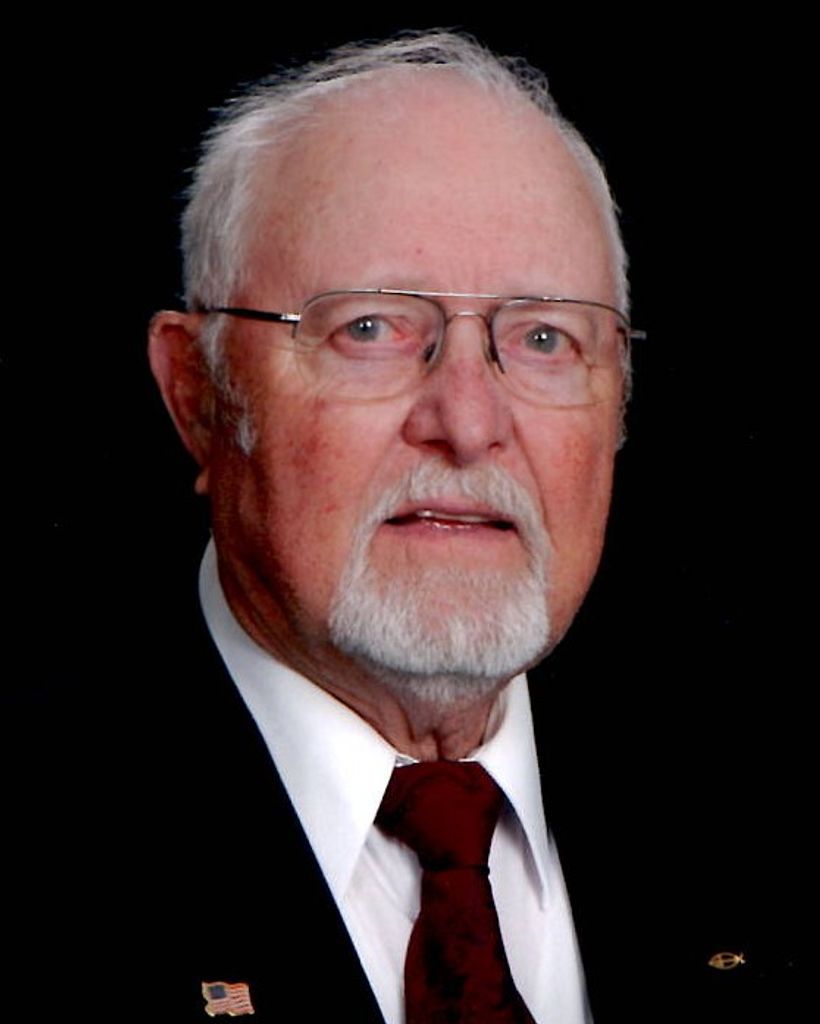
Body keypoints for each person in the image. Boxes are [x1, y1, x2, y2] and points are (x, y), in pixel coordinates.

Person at [14, 29, 804, 1024]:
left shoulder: (766, 806)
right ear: (199, 394)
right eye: (370, 329)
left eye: (545, 337)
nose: (468, 423)